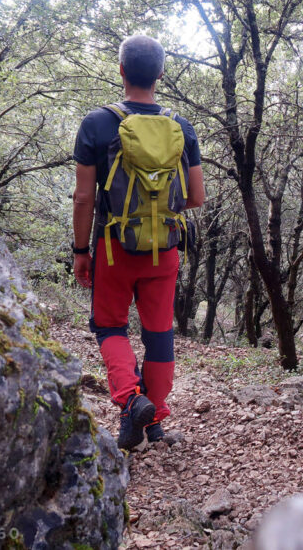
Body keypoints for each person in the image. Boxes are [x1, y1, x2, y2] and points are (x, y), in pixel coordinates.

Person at [71, 34, 205, 450]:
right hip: (164, 248)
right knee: (159, 331)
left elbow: (84, 197)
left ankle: (131, 401)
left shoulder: (97, 123)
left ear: (122, 70)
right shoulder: (180, 127)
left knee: (109, 325)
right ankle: (155, 419)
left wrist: (80, 251)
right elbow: (196, 198)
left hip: (114, 248)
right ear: (161, 74)